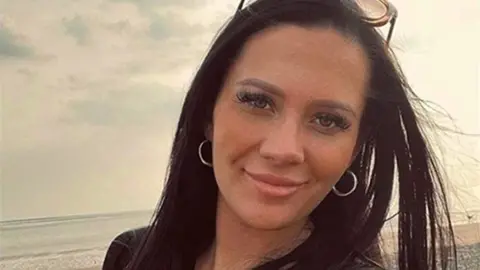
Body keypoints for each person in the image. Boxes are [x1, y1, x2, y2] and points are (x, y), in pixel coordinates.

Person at [103, 0, 458, 269]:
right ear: (208, 114)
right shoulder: (132, 257)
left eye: (328, 120)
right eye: (257, 101)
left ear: (355, 147)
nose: (283, 149)